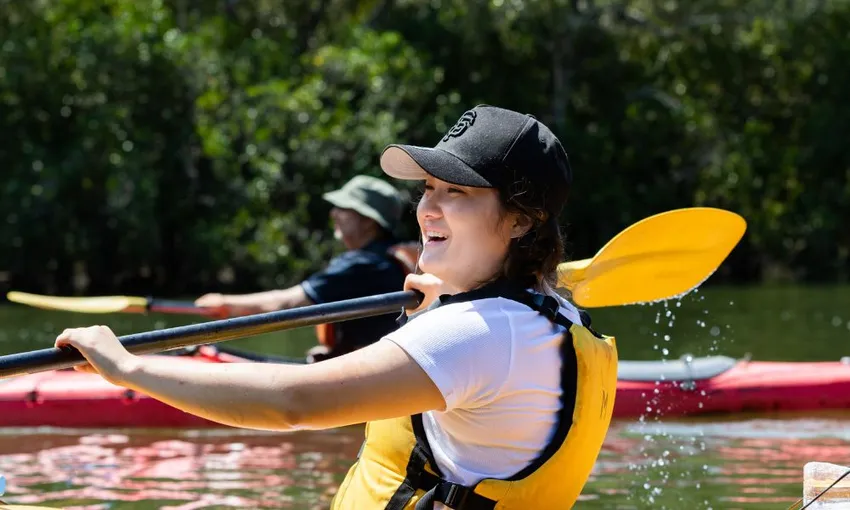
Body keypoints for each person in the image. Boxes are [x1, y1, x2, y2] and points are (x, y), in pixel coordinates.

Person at [54, 105, 619, 509]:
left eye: (459, 193)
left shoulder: (480, 332)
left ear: (522, 220)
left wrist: (124, 366)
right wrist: (439, 311)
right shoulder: (545, 315)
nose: (429, 209)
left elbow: (294, 402)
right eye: (428, 188)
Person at [195, 174, 418, 362]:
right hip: (378, 368)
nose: (333, 213)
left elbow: (286, 304)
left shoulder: (363, 265)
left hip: (368, 382)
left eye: (343, 208)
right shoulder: (389, 258)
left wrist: (226, 304)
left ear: (369, 221)